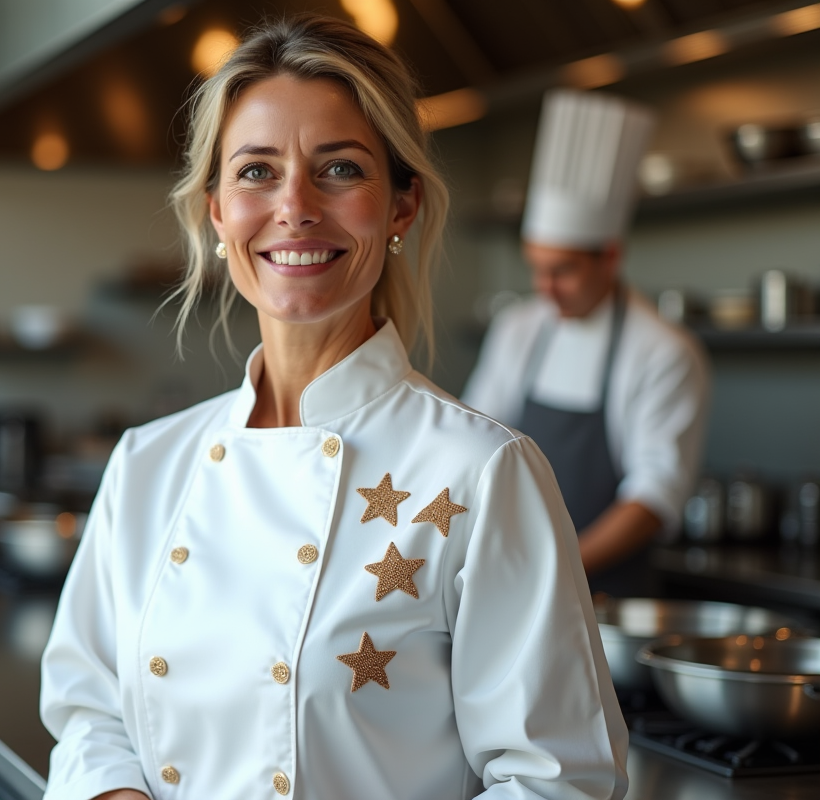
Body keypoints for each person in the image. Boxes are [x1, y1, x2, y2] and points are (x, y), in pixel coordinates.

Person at [40, 17, 626, 800]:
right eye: (255, 172)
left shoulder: (482, 474)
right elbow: (89, 712)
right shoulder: (149, 462)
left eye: (341, 168)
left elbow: (558, 782)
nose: (295, 207)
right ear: (216, 212)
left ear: (400, 208)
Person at [462, 89, 710, 597]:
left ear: (611, 257)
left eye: (564, 271)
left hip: (606, 595)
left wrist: (557, 569)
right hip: (513, 580)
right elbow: (473, 442)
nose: (545, 288)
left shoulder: (663, 352)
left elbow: (653, 496)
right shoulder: (519, 328)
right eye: (536, 268)